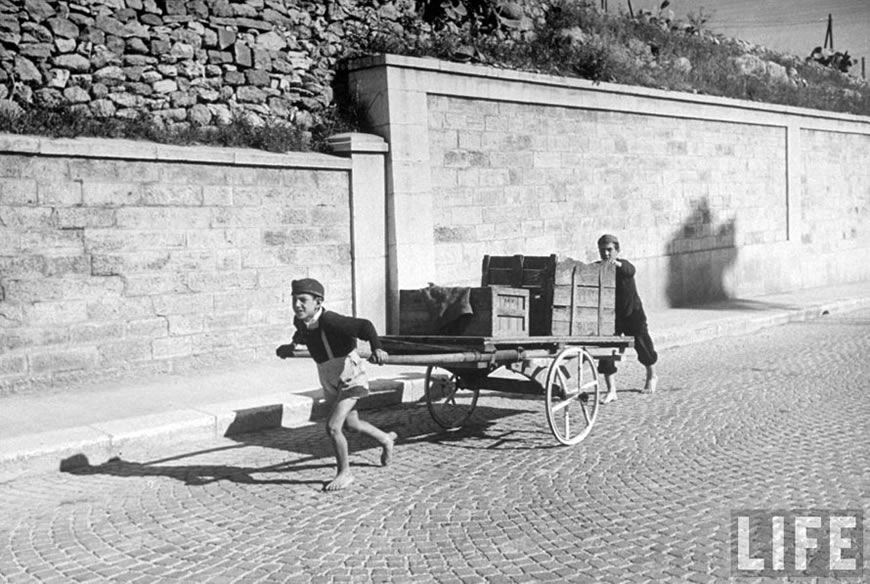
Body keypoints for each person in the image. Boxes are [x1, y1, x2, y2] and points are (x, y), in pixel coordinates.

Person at [275, 278, 396, 491]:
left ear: (318, 302)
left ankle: (345, 473)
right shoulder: (301, 321)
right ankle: (386, 439)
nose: (297, 305)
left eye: (303, 300)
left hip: (351, 377)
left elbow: (365, 326)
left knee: (333, 427)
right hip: (329, 379)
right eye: (294, 300)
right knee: (353, 425)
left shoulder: (331, 320)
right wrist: (290, 347)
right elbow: (302, 335)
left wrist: (377, 348)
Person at [596, 234, 658, 403]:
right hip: (611, 317)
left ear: (617, 251)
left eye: (609, 250)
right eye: (602, 250)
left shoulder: (624, 266)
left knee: (643, 344)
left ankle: (651, 375)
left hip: (632, 313)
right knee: (605, 351)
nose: (606, 254)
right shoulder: (598, 268)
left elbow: (630, 270)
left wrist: (616, 264)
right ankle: (611, 390)